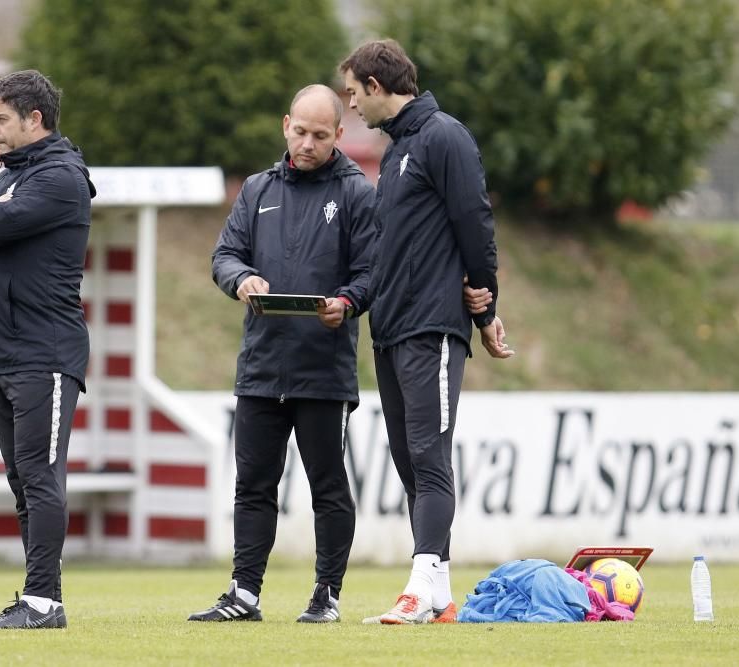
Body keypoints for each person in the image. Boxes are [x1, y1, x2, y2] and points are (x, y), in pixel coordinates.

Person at [339, 40, 515, 625]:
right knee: (409, 463)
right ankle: (437, 594)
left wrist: (484, 303)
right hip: (390, 329)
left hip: (432, 326)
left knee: (429, 455)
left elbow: (474, 220)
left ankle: (419, 586)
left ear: (375, 84)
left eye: (352, 92)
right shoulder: (397, 152)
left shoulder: (444, 136)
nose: (351, 105)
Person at [188, 85, 376, 624]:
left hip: (324, 371)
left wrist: (347, 301)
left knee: (327, 486)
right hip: (262, 368)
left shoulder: (358, 194)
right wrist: (241, 279)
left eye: (321, 135)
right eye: (300, 131)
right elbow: (224, 255)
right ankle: (244, 594)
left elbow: (372, 274)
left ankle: (327, 595)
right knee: (252, 486)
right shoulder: (256, 190)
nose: (308, 143)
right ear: (284, 125)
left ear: (339, 135)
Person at [0, 69, 96, 630]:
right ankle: (37, 599)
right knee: (22, 479)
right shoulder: (14, 174)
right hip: (6, 354)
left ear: (35, 120)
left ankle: (42, 602)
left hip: (47, 353)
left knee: (40, 475)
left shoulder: (59, 177)